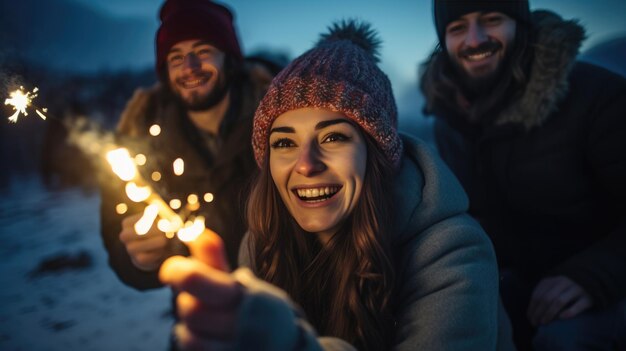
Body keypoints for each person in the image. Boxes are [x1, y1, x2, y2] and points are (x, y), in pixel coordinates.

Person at [158, 20, 515, 350]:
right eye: (284, 142)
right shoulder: (262, 243)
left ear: (374, 154)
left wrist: (287, 343)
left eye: (332, 138)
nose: (306, 164)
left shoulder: (453, 252)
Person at [419, 1, 626, 349]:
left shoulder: (598, 98)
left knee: (561, 340)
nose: (475, 39)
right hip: (516, 283)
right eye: (457, 28)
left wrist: (595, 276)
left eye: (491, 20)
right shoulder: (449, 118)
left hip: (607, 287)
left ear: (521, 24)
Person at [100, 0, 273, 291]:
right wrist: (140, 259)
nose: (190, 68)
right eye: (176, 58)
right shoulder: (140, 137)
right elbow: (116, 238)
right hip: (202, 309)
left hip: (290, 308)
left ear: (229, 59)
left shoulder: (280, 121)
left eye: (203, 52)